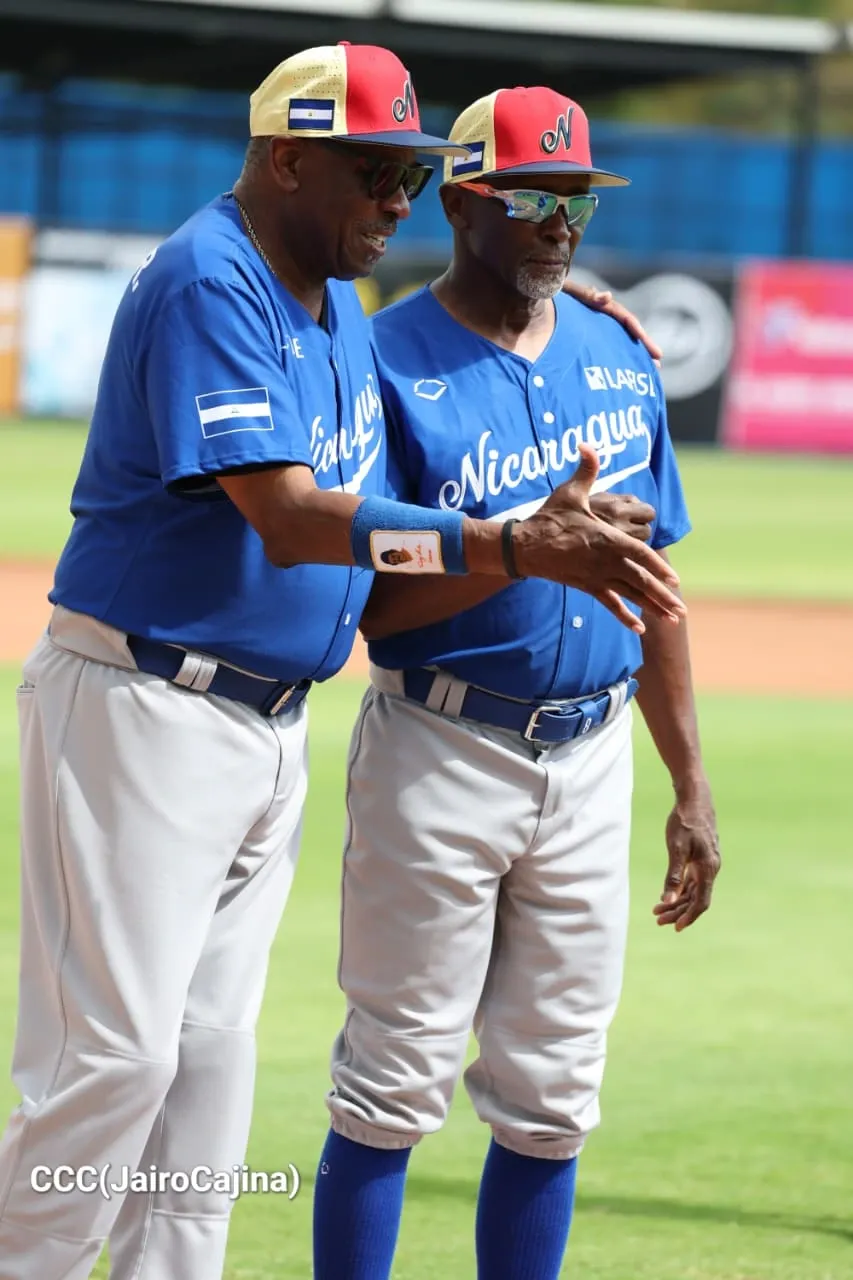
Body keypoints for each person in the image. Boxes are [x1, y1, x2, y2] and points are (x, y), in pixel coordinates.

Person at [0, 45, 683, 1280]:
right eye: (373, 172)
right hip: (147, 703)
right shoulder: (213, 277)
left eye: (411, 178)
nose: (393, 200)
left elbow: (449, 337)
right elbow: (285, 514)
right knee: (113, 1061)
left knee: (209, 1062)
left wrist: (559, 297)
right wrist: (506, 543)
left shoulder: (333, 308)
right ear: (284, 159)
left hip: (263, 726)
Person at [313, 85, 721, 1280]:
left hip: (591, 758)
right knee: (391, 1079)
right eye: (533, 197)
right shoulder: (383, 357)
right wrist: (519, 546)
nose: (561, 224)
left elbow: (655, 586)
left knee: (553, 1092)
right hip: (440, 745)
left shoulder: (618, 354)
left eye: (576, 198)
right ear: (459, 201)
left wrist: (689, 781)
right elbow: (367, 611)